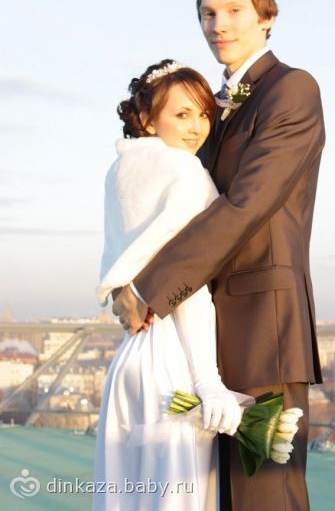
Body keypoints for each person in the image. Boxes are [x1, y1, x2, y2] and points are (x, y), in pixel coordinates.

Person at [112, 0, 326, 511]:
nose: (218, 24)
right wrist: (122, 278)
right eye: (208, 13)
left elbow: (244, 206)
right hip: (200, 336)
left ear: (267, 17)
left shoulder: (291, 90)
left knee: (265, 498)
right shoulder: (213, 107)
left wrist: (148, 289)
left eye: (233, 10)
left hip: (263, 331)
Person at [92, 60, 243, 511]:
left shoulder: (119, 171)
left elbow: (124, 268)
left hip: (130, 359)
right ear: (147, 119)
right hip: (173, 360)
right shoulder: (185, 172)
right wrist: (208, 381)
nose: (197, 127)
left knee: (124, 495)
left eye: (203, 114)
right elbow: (188, 284)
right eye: (182, 114)